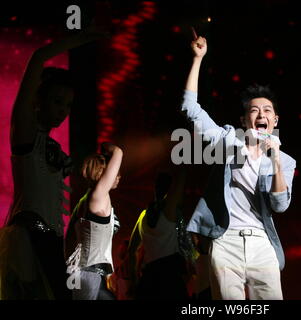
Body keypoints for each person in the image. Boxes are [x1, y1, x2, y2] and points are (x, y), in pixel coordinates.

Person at [181, 30, 296, 300]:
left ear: (275, 121)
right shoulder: (229, 141)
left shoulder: (286, 161)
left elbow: (280, 205)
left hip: (262, 243)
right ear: (244, 120)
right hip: (226, 239)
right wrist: (198, 59)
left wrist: (276, 159)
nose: (261, 114)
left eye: (267, 110)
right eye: (254, 110)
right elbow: (190, 109)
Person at [0, 26, 107, 300]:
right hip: (26, 239)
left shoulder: (55, 149)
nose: (63, 111)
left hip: (49, 242)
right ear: (38, 100)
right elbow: (37, 58)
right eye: (57, 101)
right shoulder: (25, 135)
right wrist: (77, 40)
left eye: (68, 105)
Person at [64, 143, 122, 300]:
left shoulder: (87, 200)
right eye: (114, 172)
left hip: (87, 274)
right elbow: (118, 152)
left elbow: (69, 238)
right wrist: (106, 148)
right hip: (89, 274)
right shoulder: (97, 196)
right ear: (103, 173)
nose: (118, 175)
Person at [127, 169, 197, 300]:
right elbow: (180, 180)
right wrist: (185, 159)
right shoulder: (169, 211)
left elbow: (131, 250)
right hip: (170, 278)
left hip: (148, 279)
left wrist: (134, 279)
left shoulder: (142, 216)